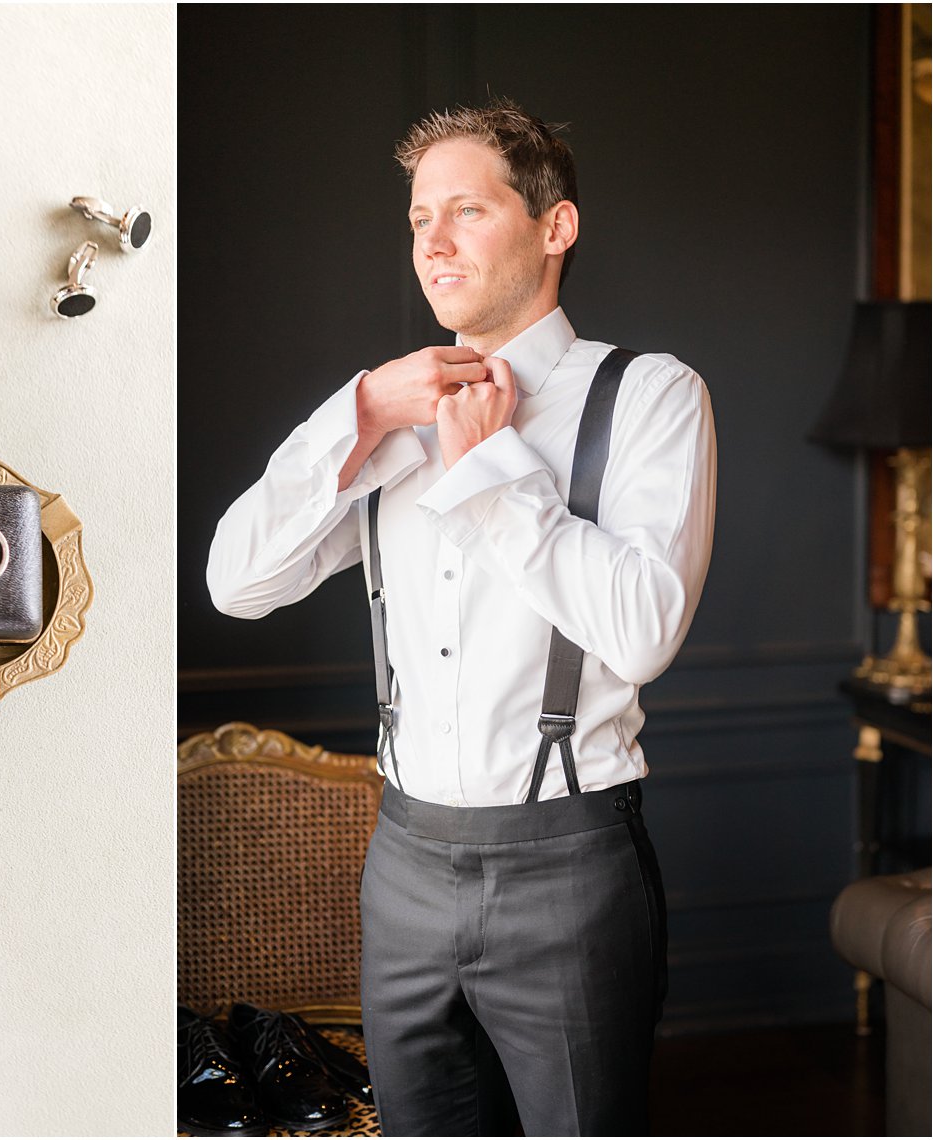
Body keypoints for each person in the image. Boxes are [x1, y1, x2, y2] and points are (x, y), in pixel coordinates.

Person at [206, 98, 717, 1136]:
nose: (430, 243)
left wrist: (491, 466)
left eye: (465, 212)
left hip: (567, 871)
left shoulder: (650, 395)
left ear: (553, 226)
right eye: (414, 219)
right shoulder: (389, 416)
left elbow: (641, 633)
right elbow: (236, 581)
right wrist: (352, 416)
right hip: (401, 864)